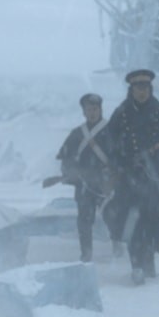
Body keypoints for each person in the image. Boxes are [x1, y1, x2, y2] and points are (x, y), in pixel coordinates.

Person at [101, 69, 159, 285]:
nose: (141, 92)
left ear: (149, 89)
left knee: (153, 222)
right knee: (132, 222)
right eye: (137, 88)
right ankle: (136, 265)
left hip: (154, 177)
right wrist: (122, 160)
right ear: (132, 89)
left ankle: (149, 263)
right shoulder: (122, 113)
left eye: (145, 88)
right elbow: (109, 141)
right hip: (129, 178)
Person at [46, 93, 111, 262]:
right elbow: (65, 157)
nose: (92, 113)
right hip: (84, 185)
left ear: (100, 110)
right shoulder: (76, 134)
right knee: (84, 222)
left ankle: (119, 248)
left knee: (113, 218)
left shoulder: (112, 130)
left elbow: (120, 157)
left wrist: (112, 172)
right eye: (89, 109)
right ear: (83, 112)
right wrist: (71, 171)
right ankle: (86, 254)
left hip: (106, 184)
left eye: (95, 109)